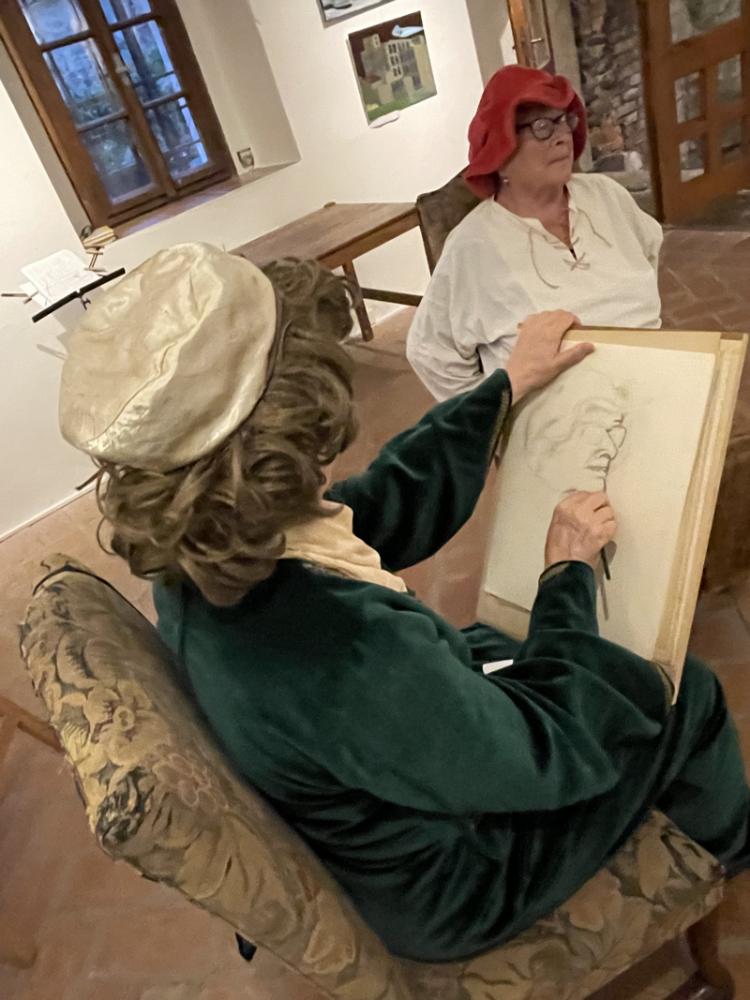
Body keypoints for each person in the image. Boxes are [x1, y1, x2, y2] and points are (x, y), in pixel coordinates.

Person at [59, 243, 749, 964]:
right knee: (684, 695)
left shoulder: (203, 545)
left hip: (373, 780)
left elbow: (376, 508)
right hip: (453, 878)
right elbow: (540, 758)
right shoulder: (339, 647)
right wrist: (566, 579)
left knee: (524, 647)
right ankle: (733, 850)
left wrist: (503, 388)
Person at [407, 65, 664, 401]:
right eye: (542, 127)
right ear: (500, 151)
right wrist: (492, 412)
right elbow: (429, 351)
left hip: (653, 387)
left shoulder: (605, 195)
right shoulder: (473, 245)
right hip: (563, 418)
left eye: (565, 120)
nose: (562, 136)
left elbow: (649, 251)